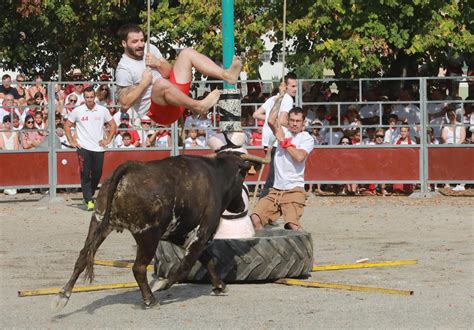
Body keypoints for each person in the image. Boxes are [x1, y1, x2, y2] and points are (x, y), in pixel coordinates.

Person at [115, 23, 242, 125]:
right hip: (160, 113)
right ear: (123, 43)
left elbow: (168, 72)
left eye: (142, 40)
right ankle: (197, 106)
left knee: (187, 53)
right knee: (160, 84)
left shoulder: (150, 49)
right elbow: (125, 104)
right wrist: (143, 83)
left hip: (176, 97)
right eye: (135, 41)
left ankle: (227, 76)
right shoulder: (124, 68)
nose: (141, 45)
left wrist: (158, 63)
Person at [251, 95, 314, 232]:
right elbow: (271, 121)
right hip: (276, 190)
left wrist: (284, 142)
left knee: (292, 225)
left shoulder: (306, 138)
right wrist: (279, 100)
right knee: (255, 218)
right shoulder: (283, 131)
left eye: (298, 121)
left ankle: (305, 250)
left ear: (303, 123)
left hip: (294, 189)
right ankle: (263, 246)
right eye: (292, 120)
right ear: (288, 121)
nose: (295, 124)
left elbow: (299, 157)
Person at [64, 87, 117, 211]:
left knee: (97, 173)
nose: (89, 100)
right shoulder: (78, 111)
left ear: (94, 97)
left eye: (91, 97)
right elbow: (67, 125)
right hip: (83, 147)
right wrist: (71, 141)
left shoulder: (102, 110)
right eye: (87, 97)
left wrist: (108, 140)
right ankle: (88, 200)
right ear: (84, 97)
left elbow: (113, 125)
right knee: (85, 173)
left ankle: (89, 194)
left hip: (98, 147)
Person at [252, 73, 297, 198]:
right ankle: (264, 199)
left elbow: (256, 114)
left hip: (267, 139)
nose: (295, 89)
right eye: (293, 86)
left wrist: (268, 118)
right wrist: (295, 128)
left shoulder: (272, 99)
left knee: (276, 171)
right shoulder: (287, 99)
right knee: (275, 172)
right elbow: (283, 120)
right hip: (277, 138)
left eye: (296, 86)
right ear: (285, 86)